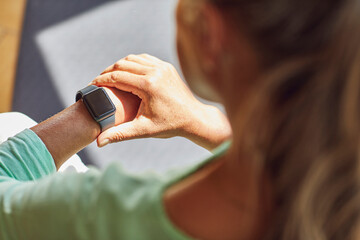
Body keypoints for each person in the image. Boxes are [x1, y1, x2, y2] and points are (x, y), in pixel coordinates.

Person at [1, 0, 359, 239]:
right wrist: (206, 121)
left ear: (209, 32)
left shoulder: (106, 213)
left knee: (12, 126)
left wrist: (93, 113)